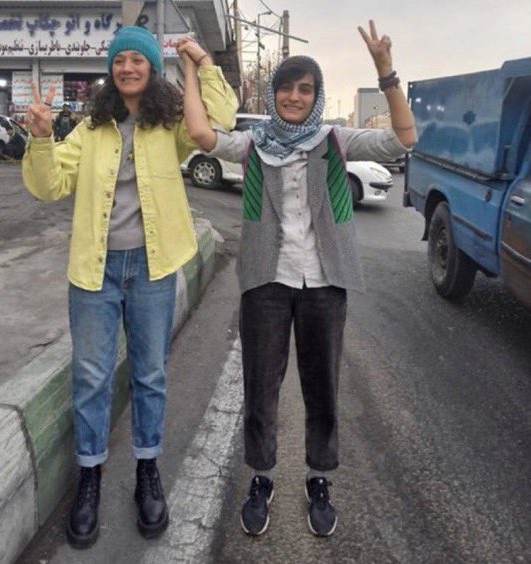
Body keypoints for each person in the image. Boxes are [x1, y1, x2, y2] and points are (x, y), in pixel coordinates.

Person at [181, 20, 417, 537]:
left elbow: (403, 139)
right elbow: (200, 134)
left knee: (322, 385)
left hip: (324, 283)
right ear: (273, 94)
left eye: (305, 89)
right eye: (286, 87)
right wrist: (192, 67)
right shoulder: (254, 143)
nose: (294, 96)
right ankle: (262, 477)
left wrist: (386, 73)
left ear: (316, 96)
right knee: (261, 386)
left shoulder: (334, 140)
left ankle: (318, 478)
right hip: (266, 281)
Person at [22, 26, 237, 549]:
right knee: (92, 377)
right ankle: (89, 477)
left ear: (151, 68)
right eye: (119, 61)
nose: (127, 68)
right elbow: (49, 186)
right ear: (111, 72)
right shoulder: (89, 130)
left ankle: (147, 469)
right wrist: (42, 137)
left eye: (137, 60)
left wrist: (202, 63)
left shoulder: (171, 125)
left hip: (152, 267)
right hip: (94, 272)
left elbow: (221, 119)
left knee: (150, 374)